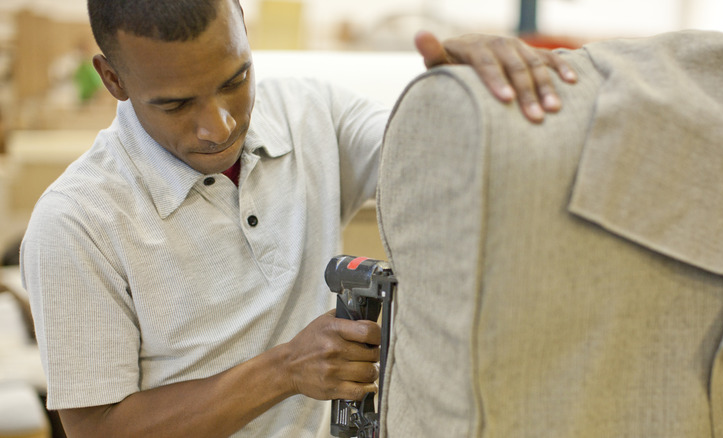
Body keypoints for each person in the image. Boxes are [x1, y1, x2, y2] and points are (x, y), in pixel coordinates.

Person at [19, 0, 577, 437]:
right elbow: (98, 432)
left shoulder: (314, 113)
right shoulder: (76, 223)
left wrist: (461, 95)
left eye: (234, 80)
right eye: (175, 104)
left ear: (239, 19)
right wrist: (284, 370)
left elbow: (438, 159)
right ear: (112, 79)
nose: (218, 127)